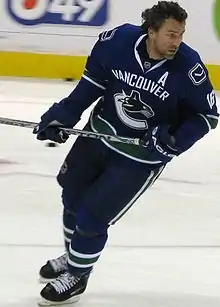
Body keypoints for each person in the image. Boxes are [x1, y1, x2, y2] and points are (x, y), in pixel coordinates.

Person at [34, 1, 219, 305]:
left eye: (180, 35)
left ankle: (78, 276)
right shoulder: (118, 42)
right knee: (71, 196)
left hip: (139, 157)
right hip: (98, 135)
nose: (177, 42)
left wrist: (172, 141)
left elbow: (206, 117)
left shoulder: (189, 68)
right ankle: (74, 258)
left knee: (93, 215)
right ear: (151, 30)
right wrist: (63, 116)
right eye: (171, 34)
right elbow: (91, 84)